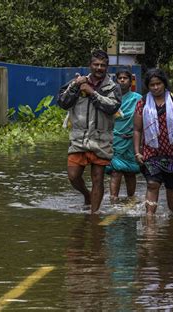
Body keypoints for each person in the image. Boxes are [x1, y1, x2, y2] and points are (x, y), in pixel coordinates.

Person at [58, 49, 121, 213]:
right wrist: (77, 86)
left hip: (101, 141)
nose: (99, 68)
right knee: (73, 176)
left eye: (103, 65)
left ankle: (94, 216)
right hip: (79, 139)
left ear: (107, 67)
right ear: (90, 65)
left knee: (98, 178)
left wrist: (92, 93)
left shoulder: (112, 87)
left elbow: (112, 107)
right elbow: (63, 102)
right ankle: (86, 195)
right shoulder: (77, 82)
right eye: (96, 64)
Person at [133, 69, 173, 215]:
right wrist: (137, 152)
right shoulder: (143, 103)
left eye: (158, 83)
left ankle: (171, 215)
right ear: (148, 86)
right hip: (151, 152)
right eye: (152, 85)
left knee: (172, 186)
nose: (156, 87)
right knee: (152, 184)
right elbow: (137, 130)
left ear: (164, 84)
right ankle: (150, 217)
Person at [105, 68, 142, 203]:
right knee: (115, 171)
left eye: (125, 78)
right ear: (116, 81)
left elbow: (143, 120)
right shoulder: (111, 98)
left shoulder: (138, 99)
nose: (122, 80)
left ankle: (131, 199)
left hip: (132, 140)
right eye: (119, 78)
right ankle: (113, 200)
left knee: (130, 172)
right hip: (114, 139)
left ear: (130, 81)